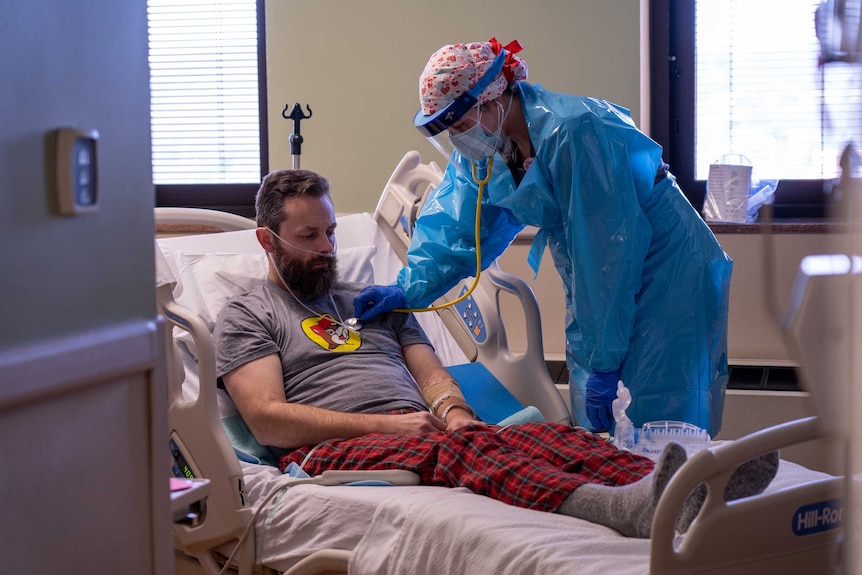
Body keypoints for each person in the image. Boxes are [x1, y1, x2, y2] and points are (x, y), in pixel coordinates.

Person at [214, 168, 775, 539]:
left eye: (332, 233)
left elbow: (431, 375)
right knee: (465, 457)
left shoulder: (369, 300)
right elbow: (267, 420)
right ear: (268, 239)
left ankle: (692, 488)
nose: (327, 249)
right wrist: (388, 426)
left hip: (418, 431)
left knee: (548, 437)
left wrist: (454, 415)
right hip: (331, 451)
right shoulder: (249, 313)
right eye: (309, 237)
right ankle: (625, 510)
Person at [353, 39, 734, 436]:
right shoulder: (487, 152)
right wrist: (406, 289)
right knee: (607, 423)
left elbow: (607, 250)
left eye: (461, 124)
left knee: (656, 411)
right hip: (598, 270)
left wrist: (603, 360)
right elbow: (459, 228)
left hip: (667, 266)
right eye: (450, 130)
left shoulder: (574, 131)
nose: (459, 139)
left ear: (492, 98)